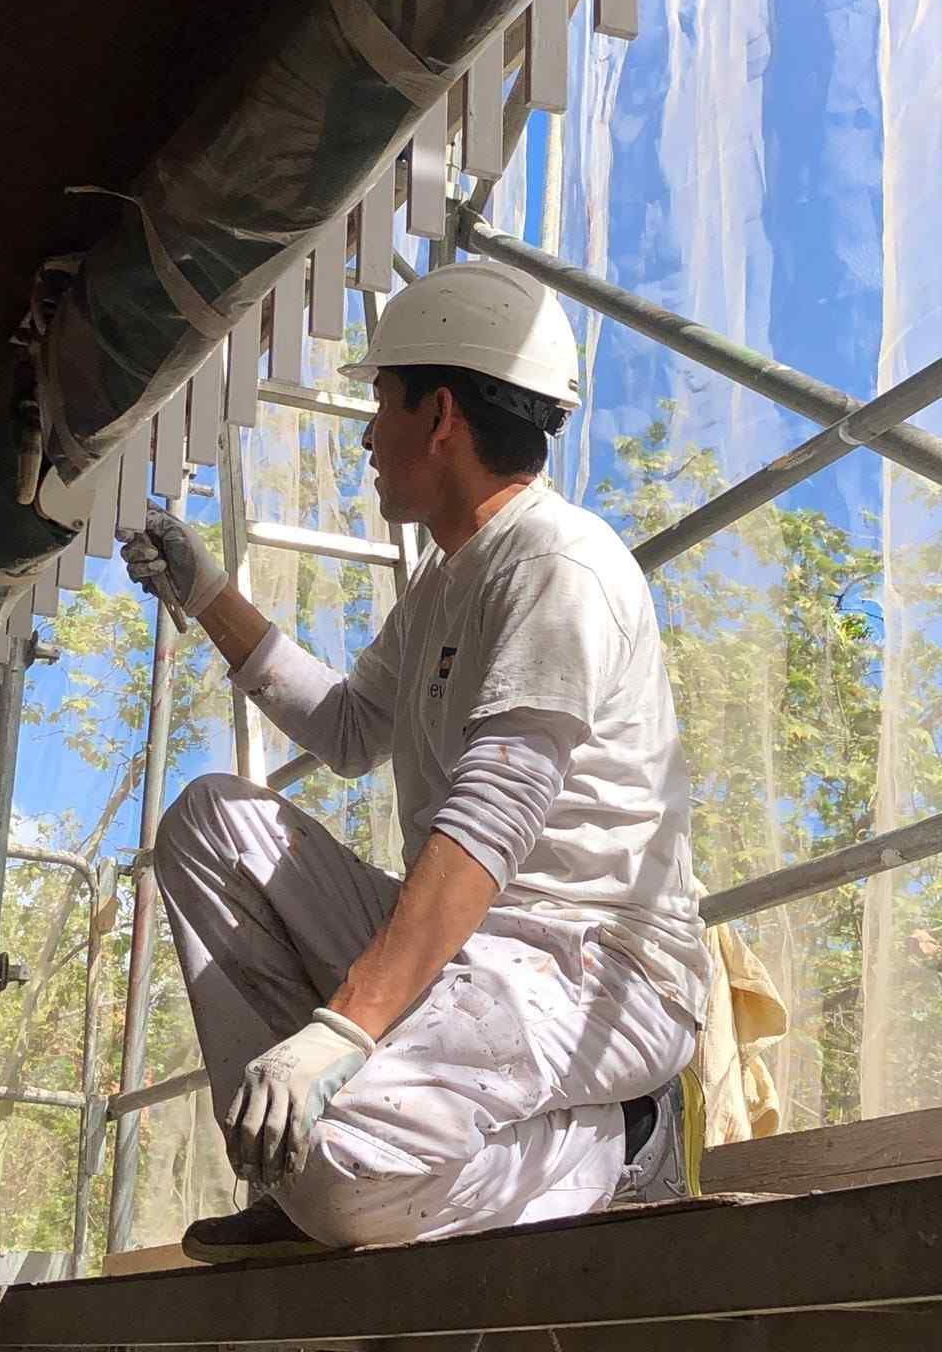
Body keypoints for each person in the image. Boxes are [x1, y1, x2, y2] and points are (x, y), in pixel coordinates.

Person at [121, 260, 711, 1263]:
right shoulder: (448, 580)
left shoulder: (557, 566)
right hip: (474, 953)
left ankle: (620, 1138)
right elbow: (350, 728)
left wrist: (343, 1031)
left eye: (379, 402)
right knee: (210, 821)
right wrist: (207, 590)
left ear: (439, 416)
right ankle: (295, 1149)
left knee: (338, 1178)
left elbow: (491, 818)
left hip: (593, 969)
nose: (365, 436)